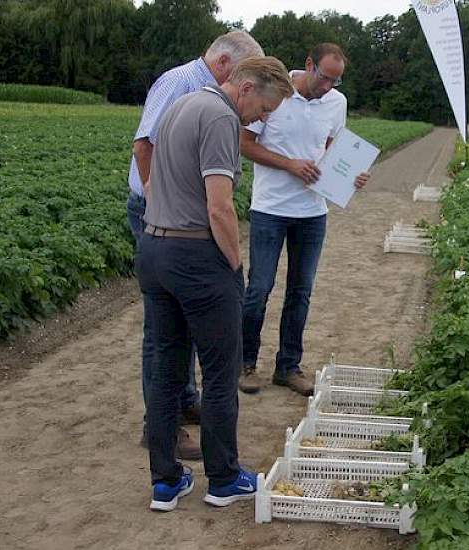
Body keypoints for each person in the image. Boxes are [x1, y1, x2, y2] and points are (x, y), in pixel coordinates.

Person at [136, 56, 294, 512]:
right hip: (196, 257)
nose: (261, 120)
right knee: (221, 372)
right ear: (245, 87)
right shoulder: (222, 118)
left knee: (167, 371)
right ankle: (223, 479)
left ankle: (165, 483)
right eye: (264, 109)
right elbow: (220, 207)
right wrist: (234, 263)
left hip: (154, 249)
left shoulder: (181, 105)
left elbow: (148, 170)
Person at [126, 31, 264, 459]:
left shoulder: (206, 97)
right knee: (164, 332)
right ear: (225, 64)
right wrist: (156, 199)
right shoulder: (180, 84)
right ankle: (159, 426)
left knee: (180, 324)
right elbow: (144, 144)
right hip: (165, 221)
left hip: (179, 224)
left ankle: (183, 403)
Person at [237, 43, 370, 396]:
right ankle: (245, 363)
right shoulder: (275, 93)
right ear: (309, 64)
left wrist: (350, 174)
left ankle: (288, 366)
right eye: (325, 77)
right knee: (259, 289)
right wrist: (289, 165)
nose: (329, 87)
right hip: (270, 208)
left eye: (336, 81)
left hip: (312, 213)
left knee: (301, 292)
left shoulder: (336, 104)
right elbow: (244, 144)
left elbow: (331, 150)